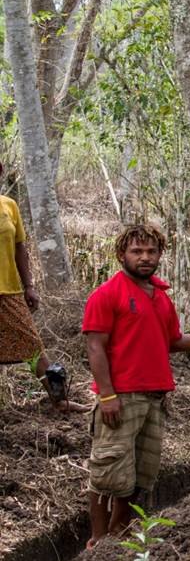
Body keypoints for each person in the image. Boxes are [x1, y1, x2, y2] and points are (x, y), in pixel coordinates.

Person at [83, 223, 190, 544]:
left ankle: (119, 530)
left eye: (151, 251)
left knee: (141, 474)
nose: (145, 257)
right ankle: (96, 542)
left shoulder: (161, 298)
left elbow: (174, 341)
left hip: (155, 398)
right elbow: (94, 346)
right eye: (136, 251)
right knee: (107, 472)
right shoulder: (107, 294)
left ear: (160, 255)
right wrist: (107, 395)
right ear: (121, 255)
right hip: (120, 398)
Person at [0, 170, 86, 412]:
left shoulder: (9, 206)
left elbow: (20, 248)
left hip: (8, 291)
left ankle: (59, 400)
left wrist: (29, 285)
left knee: (35, 349)